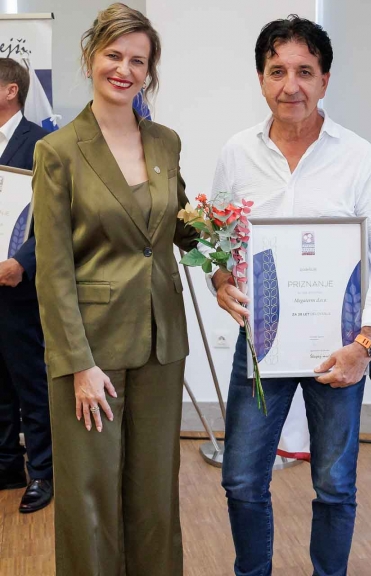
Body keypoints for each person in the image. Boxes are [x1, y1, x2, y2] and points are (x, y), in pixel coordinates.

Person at [210, 15, 371, 576]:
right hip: (262, 342)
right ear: (260, 78)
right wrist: (220, 282)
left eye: (304, 71)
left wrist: (366, 343)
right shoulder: (236, 153)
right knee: (241, 478)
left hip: (340, 348)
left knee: (335, 484)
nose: (290, 85)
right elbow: (219, 243)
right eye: (277, 71)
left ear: (325, 80)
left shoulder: (358, 157)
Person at [32, 4, 198, 575]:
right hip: (91, 349)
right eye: (114, 56)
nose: (124, 70)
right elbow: (53, 269)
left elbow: (182, 227)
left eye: (138, 61)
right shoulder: (57, 150)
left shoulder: (166, 142)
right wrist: (78, 363)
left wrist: (229, 235)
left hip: (161, 342)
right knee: (90, 494)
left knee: (155, 494)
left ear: (149, 71)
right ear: (90, 57)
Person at [0, 58, 52, 514]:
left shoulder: (42, 144)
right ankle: (5, 466)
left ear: (10, 90)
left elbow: (58, 217)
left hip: (20, 286)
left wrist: (23, 261)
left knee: (30, 382)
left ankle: (43, 472)